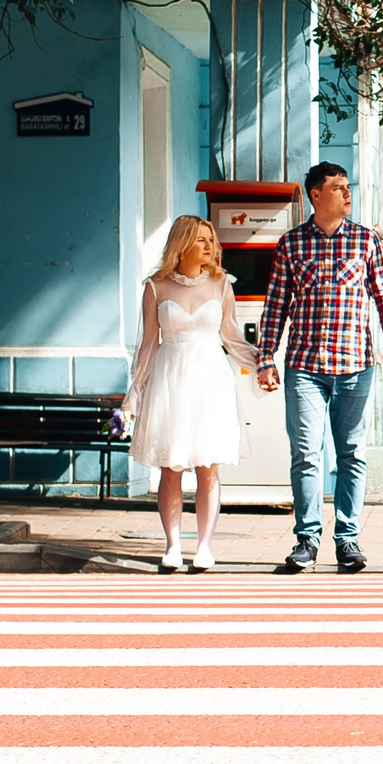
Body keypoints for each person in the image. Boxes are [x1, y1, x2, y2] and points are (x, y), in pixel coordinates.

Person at [255, 161, 383, 573]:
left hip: (357, 365)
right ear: (316, 195)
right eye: (338, 188)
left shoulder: (365, 240)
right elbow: (276, 306)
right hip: (305, 365)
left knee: (352, 453)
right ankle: (306, 540)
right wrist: (266, 357)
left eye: (348, 186)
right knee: (306, 453)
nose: (347, 193)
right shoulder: (291, 245)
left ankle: (348, 540)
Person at [127, 215, 254, 572]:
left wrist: (263, 366)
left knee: (208, 466)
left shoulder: (221, 285)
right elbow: (148, 344)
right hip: (171, 379)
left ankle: (204, 546)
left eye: (211, 239)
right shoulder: (155, 286)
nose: (209, 246)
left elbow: (231, 336)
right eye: (201, 239)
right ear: (182, 244)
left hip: (211, 380)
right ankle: (171, 546)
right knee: (171, 466)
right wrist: (134, 391)